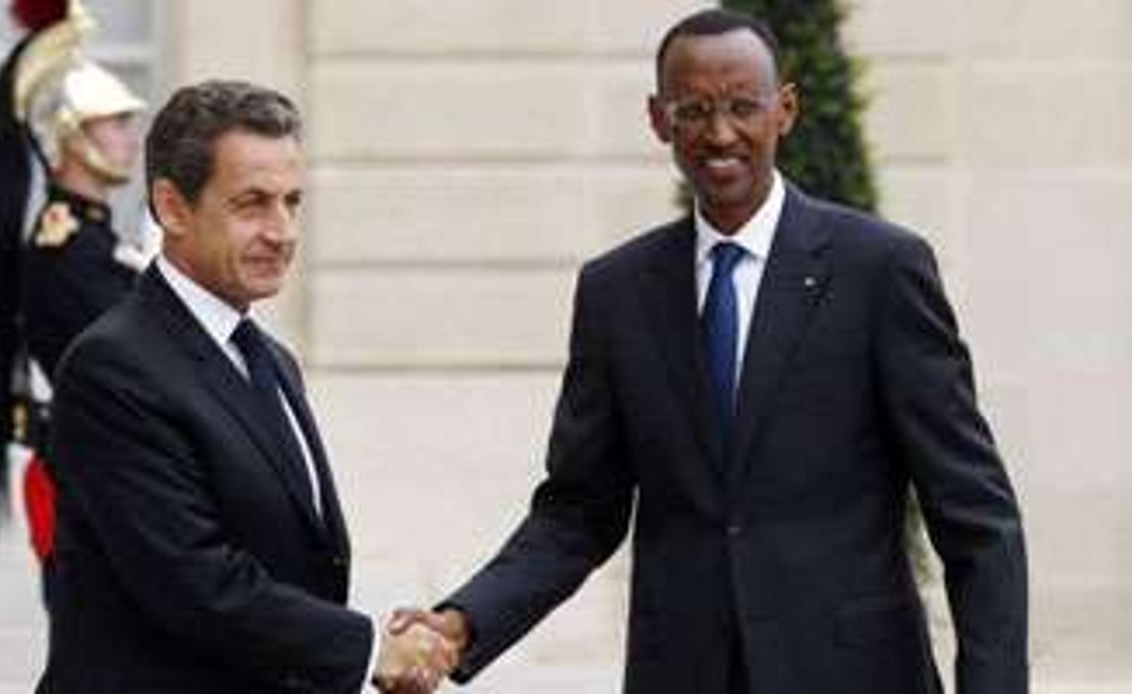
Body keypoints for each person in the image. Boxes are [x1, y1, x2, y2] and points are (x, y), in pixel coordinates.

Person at [394, 8, 1028, 694]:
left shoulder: (878, 270)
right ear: (657, 119)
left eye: (741, 107)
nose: (719, 133)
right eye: (692, 110)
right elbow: (578, 511)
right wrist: (461, 623)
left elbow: (975, 518)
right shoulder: (616, 293)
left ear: (784, 109)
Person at [37, 80, 456, 693]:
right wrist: (369, 650)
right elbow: (194, 583)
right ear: (173, 207)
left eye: (292, 202)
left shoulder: (270, 358)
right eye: (253, 203)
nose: (282, 231)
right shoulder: (114, 367)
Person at [0, 0, 149, 572]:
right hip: (96, 494)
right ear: (70, 135)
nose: (131, 137)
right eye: (117, 123)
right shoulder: (65, 254)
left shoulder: (91, 243)